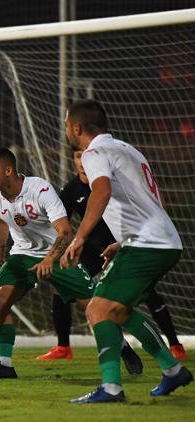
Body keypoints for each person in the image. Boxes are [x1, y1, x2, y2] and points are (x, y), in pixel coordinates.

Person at [61, 99, 191, 403]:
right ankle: (172, 371)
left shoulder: (93, 153)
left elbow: (102, 192)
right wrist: (122, 241)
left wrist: (79, 237)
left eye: (67, 125)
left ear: (77, 127)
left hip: (149, 244)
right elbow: (144, 199)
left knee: (96, 308)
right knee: (119, 311)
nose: (67, 129)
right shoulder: (127, 149)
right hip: (157, 240)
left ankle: (111, 388)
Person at [38, 150, 187, 363]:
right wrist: (65, 248)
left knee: (146, 293)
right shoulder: (70, 190)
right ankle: (63, 346)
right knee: (62, 285)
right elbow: (64, 225)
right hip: (92, 249)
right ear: (73, 159)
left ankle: (174, 344)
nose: (82, 162)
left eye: (84, 156)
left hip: (120, 245)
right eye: (77, 156)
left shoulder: (108, 184)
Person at [0, 146, 97, 379]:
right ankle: (4, 365)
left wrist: (49, 259)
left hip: (57, 252)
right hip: (21, 255)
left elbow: (65, 231)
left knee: (94, 306)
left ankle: (121, 347)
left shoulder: (40, 189)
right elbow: (0, 221)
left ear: (9, 171)